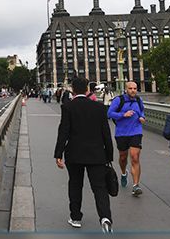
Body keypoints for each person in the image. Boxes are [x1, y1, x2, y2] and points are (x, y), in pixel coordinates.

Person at [54, 77, 114, 233]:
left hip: (74, 154)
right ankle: (105, 217)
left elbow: (63, 132)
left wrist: (58, 154)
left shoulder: (67, 107)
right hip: (97, 154)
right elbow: (106, 134)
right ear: (87, 90)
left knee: (75, 184)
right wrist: (109, 155)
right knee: (99, 187)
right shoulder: (99, 108)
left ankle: (75, 217)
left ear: (73, 90)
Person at [107, 81, 146, 196]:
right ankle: (124, 173)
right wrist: (123, 115)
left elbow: (142, 111)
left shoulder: (139, 100)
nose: (133, 90)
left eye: (135, 88)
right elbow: (109, 113)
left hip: (136, 131)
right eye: (130, 88)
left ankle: (136, 185)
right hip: (122, 133)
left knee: (135, 157)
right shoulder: (119, 100)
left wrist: (142, 117)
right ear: (126, 89)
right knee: (123, 157)